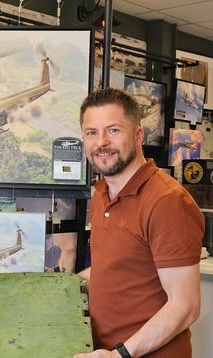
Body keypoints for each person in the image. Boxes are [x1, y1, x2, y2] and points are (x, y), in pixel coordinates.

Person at [73, 88, 205, 358]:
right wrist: (61, 285)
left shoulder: (167, 201)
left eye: (113, 130)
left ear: (138, 135)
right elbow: (116, 266)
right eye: (91, 132)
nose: (101, 142)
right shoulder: (101, 194)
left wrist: (121, 354)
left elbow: (185, 306)